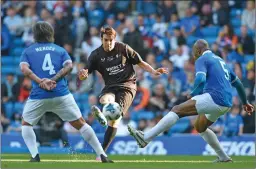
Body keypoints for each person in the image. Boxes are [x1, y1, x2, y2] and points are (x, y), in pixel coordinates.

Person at [128, 39, 254, 163]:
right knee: (200, 126)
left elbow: (200, 79)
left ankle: (146, 138)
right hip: (226, 103)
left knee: (177, 110)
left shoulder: (202, 59)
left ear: (199, 50)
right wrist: (245, 103)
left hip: (214, 98)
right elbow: (238, 84)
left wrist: (194, 92)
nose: (194, 56)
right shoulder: (221, 61)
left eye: (194, 53)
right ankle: (224, 157)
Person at [20, 21, 113, 163]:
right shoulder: (60, 50)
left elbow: (24, 69)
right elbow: (69, 67)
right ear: (51, 33)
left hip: (39, 95)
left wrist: (41, 82)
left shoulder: (28, 51)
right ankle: (101, 154)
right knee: (81, 124)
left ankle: (35, 156)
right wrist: (54, 79)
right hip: (61, 94)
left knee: (26, 124)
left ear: (35, 35)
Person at [78, 25, 168, 160]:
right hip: (110, 86)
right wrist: (83, 75)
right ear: (101, 39)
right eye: (105, 40)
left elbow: (140, 62)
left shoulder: (124, 48)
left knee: (115, 120)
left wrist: (153, 71)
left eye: (110, 40)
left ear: (114, 39)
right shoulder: (96, 55)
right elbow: (85, 73)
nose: (108, 43)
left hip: (128, 86)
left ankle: (101, 151)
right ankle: (104, 116)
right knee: (106, 99)